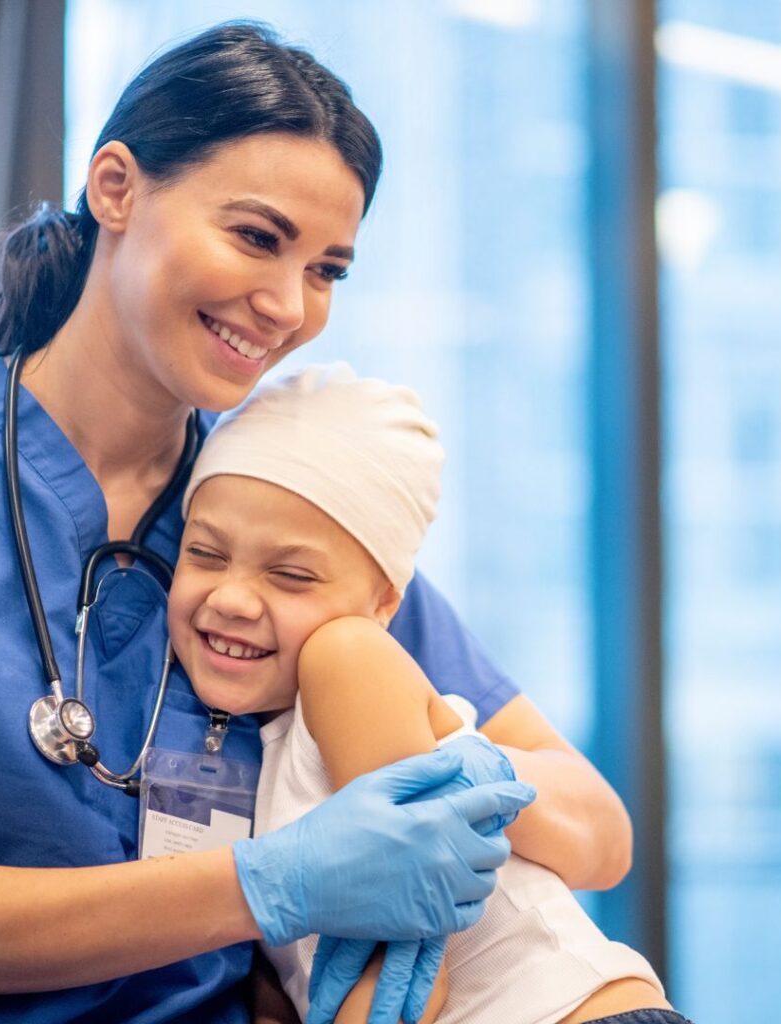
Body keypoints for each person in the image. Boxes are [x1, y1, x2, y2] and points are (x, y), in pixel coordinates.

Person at [0, 21, 623, 1024]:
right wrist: (277, 879)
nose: (286, 304)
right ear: (117, 188)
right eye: (257, 238)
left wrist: (455, 771)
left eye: (326, 269)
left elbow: (591, 822)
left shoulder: (276, 487)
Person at [168, 362, 691, 1024]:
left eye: (292, 575)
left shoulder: (348, 661)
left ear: (385, 602)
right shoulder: (264, 747)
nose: (233, 597)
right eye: (205, 554)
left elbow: (409, 967)